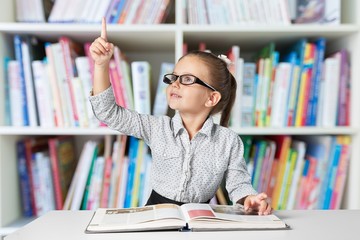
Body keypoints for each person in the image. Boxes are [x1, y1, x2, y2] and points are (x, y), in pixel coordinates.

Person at [89, 18, 272, 215]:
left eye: (186, 79)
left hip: (200, 217)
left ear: (211, 98)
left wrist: (249, 199)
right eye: (173, 77)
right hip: (156, 213)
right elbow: (108, 112)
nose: (174, 84)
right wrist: (101, 65)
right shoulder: (157, 127)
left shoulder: (228, 141)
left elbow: (239, 184)